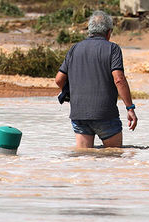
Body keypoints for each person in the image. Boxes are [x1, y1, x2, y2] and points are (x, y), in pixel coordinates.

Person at [55, 10, 137, 148]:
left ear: (89, 30)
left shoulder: (74, 49)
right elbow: (119, 79)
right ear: (109, 32)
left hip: (79, 114)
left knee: (85, 159)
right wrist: (130, 108)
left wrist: (70, 93)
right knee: (115, 157)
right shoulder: (113, 49)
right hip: (105, 113)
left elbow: (58, 80)